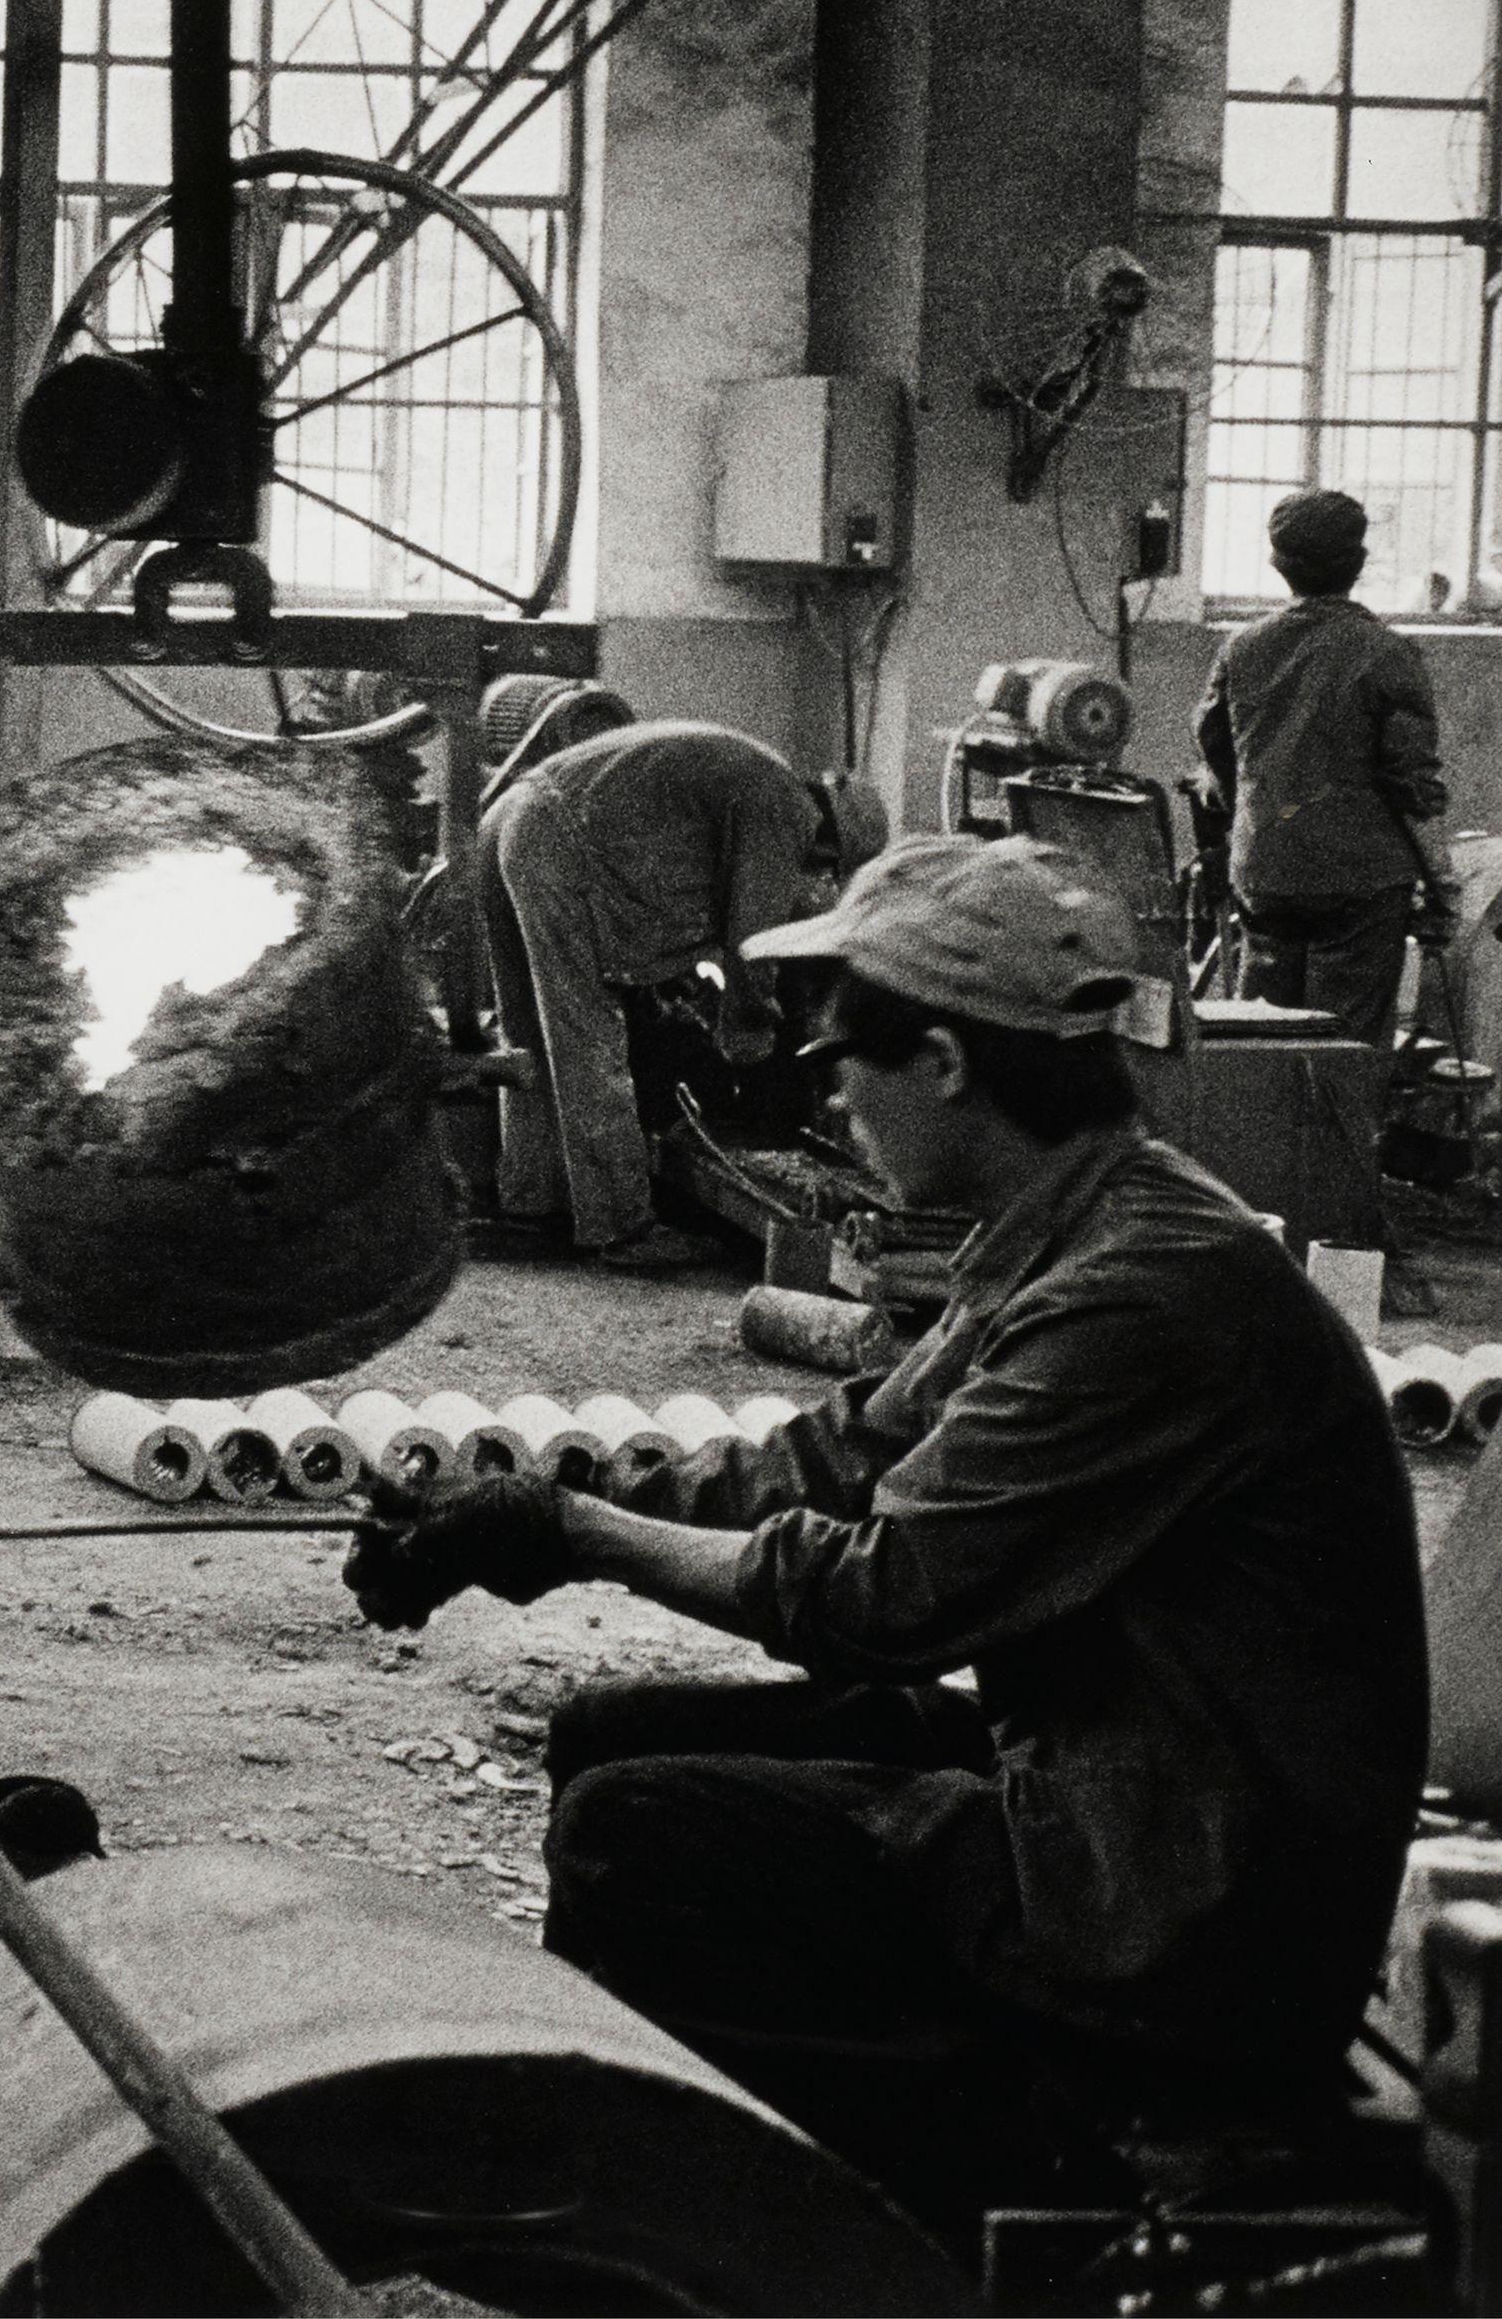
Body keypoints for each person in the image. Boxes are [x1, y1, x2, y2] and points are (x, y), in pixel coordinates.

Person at [352, 836, 1425, 2224]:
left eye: (840, 1061)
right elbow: (838, 1460)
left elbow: (882, 1596)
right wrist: (526, 1500)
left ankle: (981, 2188)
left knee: (639, 1838)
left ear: (945, 1063)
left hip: (1187, 1907)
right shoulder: (1064, 1230)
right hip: (1135, 1780)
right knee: (606, 1735)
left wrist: (577, 1536)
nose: (834, 1100)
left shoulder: (1148, 1288)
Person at [479, 714, 841, 1272]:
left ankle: (532, 1199)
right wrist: (748, 1028)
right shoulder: (784, 809)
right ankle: (621, 1229)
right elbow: (755, 940)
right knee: (588, 1042)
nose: (823, 888)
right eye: (826, 877)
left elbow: (682, 899)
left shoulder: (747, 771)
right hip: (557, 842)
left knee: (527, 1034)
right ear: (829, 842)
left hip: (511, 816)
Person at [1198, 484, 1445, 1051]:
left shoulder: (1242, 648)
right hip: (1360, 882)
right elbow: (1413, 784)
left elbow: (1215, 747)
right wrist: (1441, 882)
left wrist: (1259, 812)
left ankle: (1263, 1141)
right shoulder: (1387, 652)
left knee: (1261, 1044)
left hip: (1267, 872)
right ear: (1358, 564)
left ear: (1277, 564)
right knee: (1345, 1052)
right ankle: (1343, 1141)